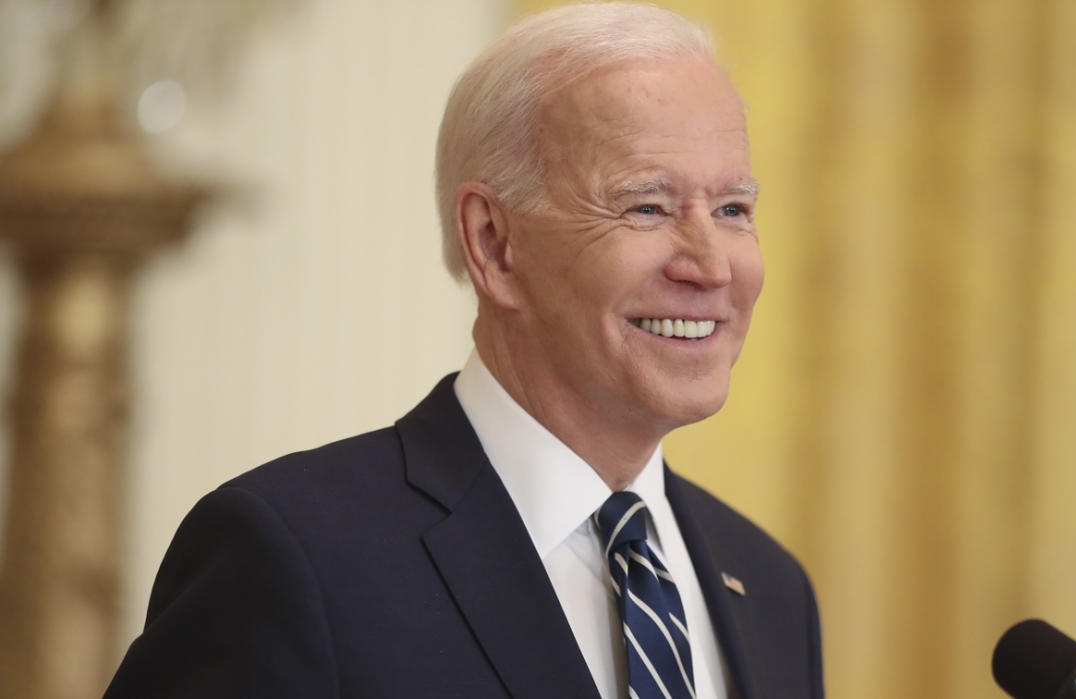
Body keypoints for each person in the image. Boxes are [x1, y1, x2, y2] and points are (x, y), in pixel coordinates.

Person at [104, 4, 823, 698]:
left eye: (733, 209)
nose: (712, 265)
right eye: (647, 206)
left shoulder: (769, 585)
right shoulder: (292, 559)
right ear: (493, 243)